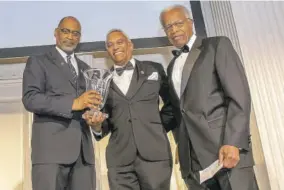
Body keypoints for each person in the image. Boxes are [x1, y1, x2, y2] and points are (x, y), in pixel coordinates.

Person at [159, 5, 258, 190]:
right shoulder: (172, 66)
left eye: (178, 23)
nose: (174, 30)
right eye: (168, 27)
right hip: (195, 164)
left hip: (225, 151)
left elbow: (239, 96)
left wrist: (233, 142)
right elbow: (178, 111)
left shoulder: (217, 45)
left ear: (191, 23)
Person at [83, 29, 174, 190]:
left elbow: (172, 105)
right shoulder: (102, 80)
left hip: (155, 157)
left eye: (119, 42)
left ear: (130, 45)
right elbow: (105, 123)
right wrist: (96, 126)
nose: (115, 47)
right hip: (120, 161)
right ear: (107, 51)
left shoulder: (154, 69)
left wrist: (157, 129)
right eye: (110, 45)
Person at [22, 16, 101, 190]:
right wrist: (73, 103)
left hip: (83, 155)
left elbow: (88, 107)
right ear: (56, 33)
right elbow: (31, 98)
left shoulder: (86, 69)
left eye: (75, 33)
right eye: (65, 31)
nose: (70, 37)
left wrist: (94, 118)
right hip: (51, 154)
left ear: (79, 38)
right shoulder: (38, 61)